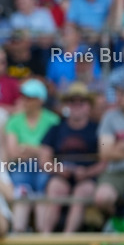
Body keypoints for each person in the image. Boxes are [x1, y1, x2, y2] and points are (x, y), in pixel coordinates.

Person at [39, 83, 103, 234]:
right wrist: (59, 170)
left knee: (82, 193)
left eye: (81, 102)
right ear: (66, 105)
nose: (76, 106)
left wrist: (87, 172)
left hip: (88, 177)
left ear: (89, 106)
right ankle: (45, 237)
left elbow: (105, 160)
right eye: (72, 102)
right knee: (55, 189)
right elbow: (44, 160)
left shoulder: (98, 130)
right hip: (61, 175)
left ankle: (68, 237)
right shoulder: (55, 128)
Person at [5, 79, 61, 233]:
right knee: (22, 188)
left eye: (30, 97)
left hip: (44, 166)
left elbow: (53, 152)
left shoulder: (53, 120)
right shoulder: (14, 120)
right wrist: (39, 150)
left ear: (40, 100)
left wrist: (28, 149)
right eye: (24, 96)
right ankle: (19, 230)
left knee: (42, 188)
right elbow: (13, 153)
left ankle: (42, 233)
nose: (25, 100)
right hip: (23, 166)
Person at [94, 77, 124, 219]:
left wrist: (123, 146)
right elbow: (104, 151)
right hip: (115, 172)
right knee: (102, 198)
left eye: (122, 94)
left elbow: (112, 149)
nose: (118, 98)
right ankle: (117, 222)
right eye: (117, 93)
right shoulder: (109, 117)